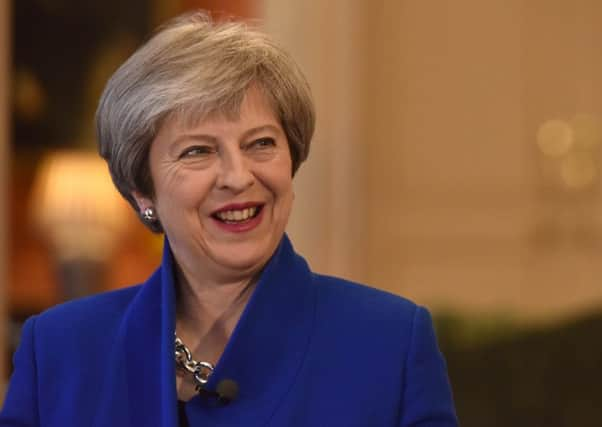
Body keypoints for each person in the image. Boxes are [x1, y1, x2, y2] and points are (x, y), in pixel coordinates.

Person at [0, 11, 457, 427]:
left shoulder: (391, 342)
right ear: (143, 191)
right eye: (198, 151)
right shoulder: (60, 350)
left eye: (260, 143)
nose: (239, 177)